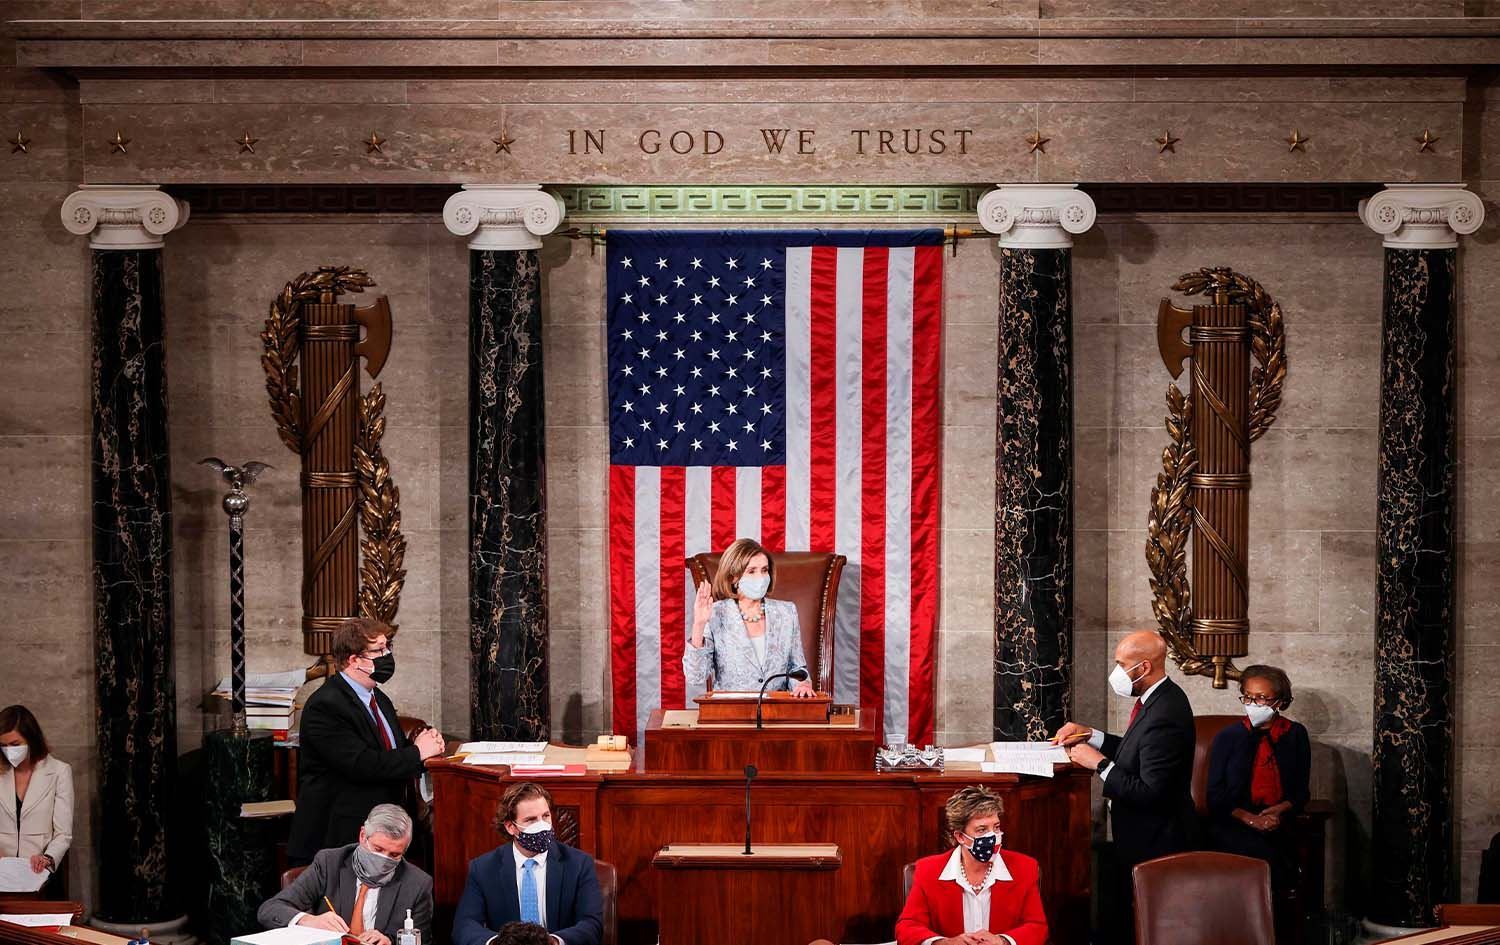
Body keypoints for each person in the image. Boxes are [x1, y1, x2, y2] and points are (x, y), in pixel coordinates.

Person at [1052, 630, 1197, 940]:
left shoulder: (1166, 712)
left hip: (1157, 839)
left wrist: (1098, 763)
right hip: (1140, 834)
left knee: (1143, 923)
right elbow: (1134, 751)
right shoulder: (1156, 698)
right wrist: (1091, 735)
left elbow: (1150, 792)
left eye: (1121, 664)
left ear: (1143, 667)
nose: (1116, 672)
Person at [287, 617, 446, 865]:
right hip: (339, 838)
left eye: (387, 647)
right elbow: (363, 764)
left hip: (380, 832)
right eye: (378, 650)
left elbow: (391, 752)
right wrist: (417, 753)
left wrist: (427, 750)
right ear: (353, 660)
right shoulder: (325, 705)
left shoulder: (378, 698)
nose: (387, 655)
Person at [259, 803, 433, 945]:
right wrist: (309, 920)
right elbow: (270, 910)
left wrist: (389, 942)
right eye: (378, 849)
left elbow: (423, 941)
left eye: (394, 855)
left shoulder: (418, 884)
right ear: (363, 836)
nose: (383, 860)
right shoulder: (329, 863)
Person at [452, 782, 603, 945]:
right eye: (531, 820)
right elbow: (464, 926)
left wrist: (552, 942)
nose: (542, 825)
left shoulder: (579, 864)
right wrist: (499, 943)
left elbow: (592, 925)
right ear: (511, 827)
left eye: (545, 816)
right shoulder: (483, 869)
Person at [896, 785, 1048, 945]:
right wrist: (943, 943)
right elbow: (907, 927)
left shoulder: (1024, 868)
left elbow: (1037, 927)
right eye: (982, 830)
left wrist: (1002, 941)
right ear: (961, 837)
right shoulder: (928, 870)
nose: (993, 836)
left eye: (996, 827)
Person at [1206, 664, 1311, 895]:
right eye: (1248, 697)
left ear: (1280, 701)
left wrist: (1278, 811)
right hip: (1235, 821)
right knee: (1263, 859)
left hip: (1280, 820)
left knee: (1287, 857)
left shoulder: (1295, 734)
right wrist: (1250, 819)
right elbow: (1215, 796)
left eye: (1262, 698)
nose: (1253, 704)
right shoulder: (1228, 737)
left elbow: (1301, 792)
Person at [682, 538, 816, 696]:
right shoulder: (716, 613)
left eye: (764, 570)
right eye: (752, 571)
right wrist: (698, 624)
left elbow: (797, 668)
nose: (760, 577)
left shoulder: (786, 612)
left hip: (777, 712)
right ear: (734, 577)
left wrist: (803, 685)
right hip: (730, 714)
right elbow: (695, 677)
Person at [0, 705, 73, 892]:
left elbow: (63, 833)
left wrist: (47, 858)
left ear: (31, 739)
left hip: (38, 872)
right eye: (3, 745)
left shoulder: (59, 772)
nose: (9, 751)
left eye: (15, 745)